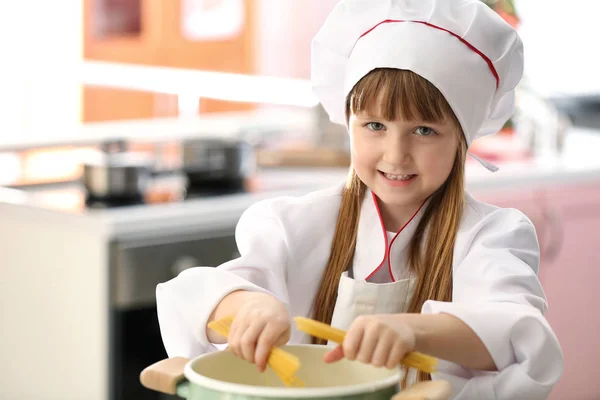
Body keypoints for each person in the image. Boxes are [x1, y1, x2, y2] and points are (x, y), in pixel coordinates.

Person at [156, 0, 564, 398]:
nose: (395, 154)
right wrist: (247, 308)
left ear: (462, 137)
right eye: (374, 125)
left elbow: (516, 332)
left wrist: (412, 331)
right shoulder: (294, 223)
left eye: (424, 130)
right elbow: (203, 296)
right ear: (348, 124)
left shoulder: (491, 236)